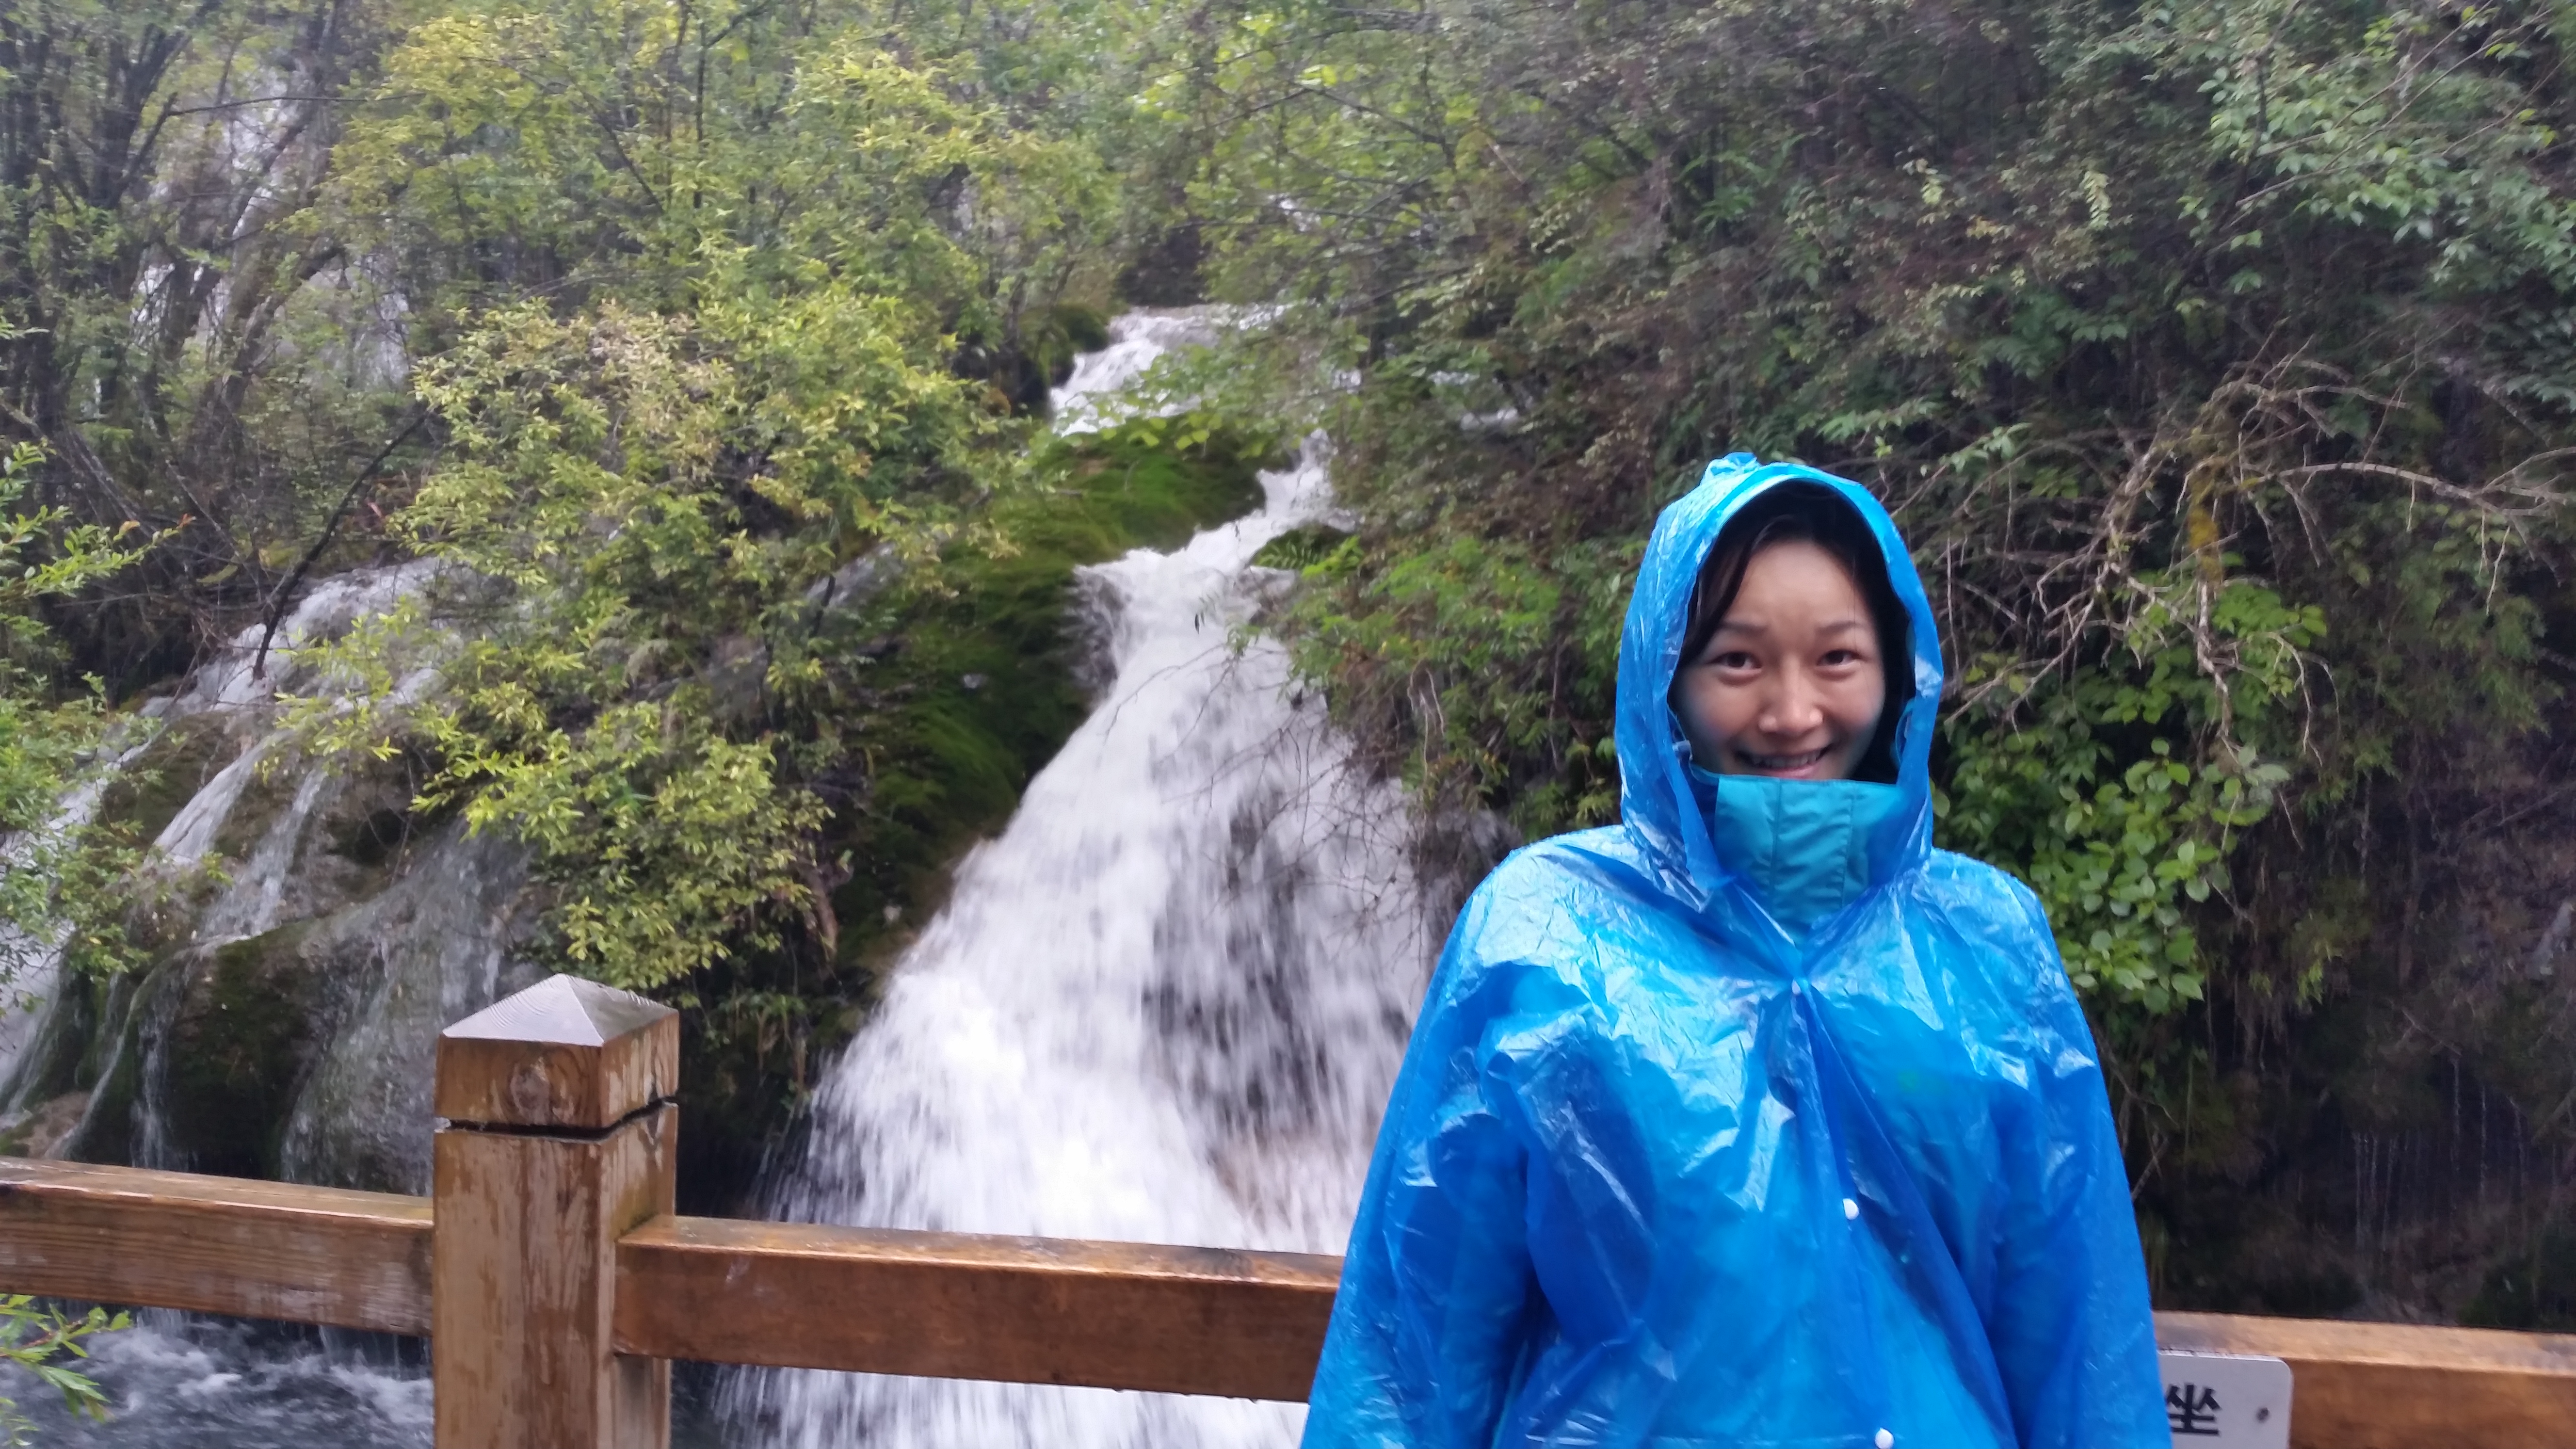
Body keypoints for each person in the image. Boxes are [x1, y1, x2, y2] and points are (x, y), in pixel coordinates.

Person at [1303, 455, 2169, 1449]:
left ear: (1899, 673)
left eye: (1837, 659)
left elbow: (2078, 1337)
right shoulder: (1539, 934)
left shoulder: (1987, 942)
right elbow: (1412, 1348)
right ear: (1663, 680)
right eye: (1739, 662)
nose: (1793, 713)